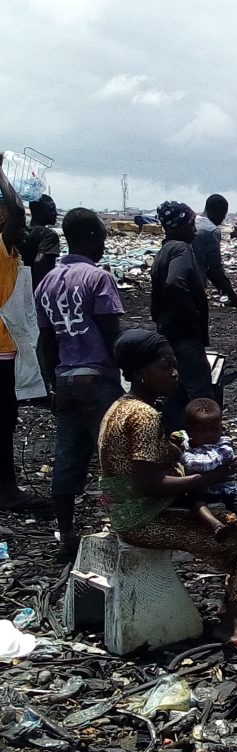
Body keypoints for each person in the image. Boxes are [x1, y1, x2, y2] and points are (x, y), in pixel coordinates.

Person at [98, 329, 237, 650]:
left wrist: (179, 448)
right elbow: (151, 484)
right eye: (164, 367)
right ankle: (230, 624)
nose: (174, 372)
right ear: (140, 374)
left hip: (130, 510)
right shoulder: (144, 416)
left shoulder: (121, 406)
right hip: (143, 519)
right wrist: (210, 476)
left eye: (174, 364)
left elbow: (143, 462)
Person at [35, 208, 124, 562]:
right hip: (98, 378)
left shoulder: (46, 283)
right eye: (101, 238)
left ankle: (67, 534)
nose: (103, 245)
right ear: (90, 238)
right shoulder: (98, 278)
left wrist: (51, 384)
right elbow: (110, 333)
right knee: (114, 457)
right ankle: (123, 529)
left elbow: (46, 342)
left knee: (68, 457)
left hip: (65, 380)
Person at [0, 153, 48, 512]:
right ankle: (7, 490)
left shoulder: (11, 252)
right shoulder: (3, 251)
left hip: (8, 344)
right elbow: (16, 213)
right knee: (3, 420)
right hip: (2, 348)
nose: (23, 230)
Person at [151, 201, 213, 431]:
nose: (194, 229)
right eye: (191, 223)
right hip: (183, 334)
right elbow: (175, 283)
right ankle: (204, 448)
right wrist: (191, 315)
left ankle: (170, 440)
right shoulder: (180, 249)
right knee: (200, 393)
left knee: (178, 390)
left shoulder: (165, 249)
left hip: (168, 331)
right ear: (180, 225)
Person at [179, 398, 237, 567]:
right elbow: (193, 464)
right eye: (204, 431)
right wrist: (221, 468)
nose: (211, 435)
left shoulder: (224, 444)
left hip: (225, 490)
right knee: (195, 501)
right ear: (190, 430)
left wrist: (209, 463)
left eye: (215, 429)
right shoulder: (185, 446)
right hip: (202, 490)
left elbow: (204, 463)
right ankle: (215, 525)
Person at [193, 195, 237, 307]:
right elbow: (214, 268)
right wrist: (231, 294)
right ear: (218, 212)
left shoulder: (189, 223)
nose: (222, 220)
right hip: (193, 285)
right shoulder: (211, 231)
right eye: (223, 215)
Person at [20, 194, 59, 290]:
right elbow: (40, 261)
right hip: (38, 290)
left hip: (20, 287)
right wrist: (43, 289)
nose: (56, 213)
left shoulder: (21, 233)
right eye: (52, 210)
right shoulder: (49, 235)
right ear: (40, 211)